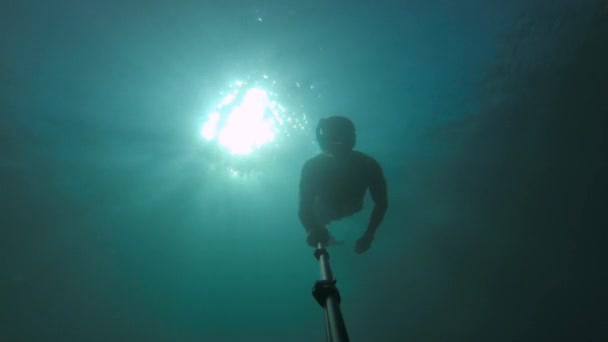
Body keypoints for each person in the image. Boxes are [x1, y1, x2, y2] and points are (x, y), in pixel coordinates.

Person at [298, 116, 388, 254]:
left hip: (340, 209)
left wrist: (369, 234)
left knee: (319, 214)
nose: (339, 143)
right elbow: (305, 207)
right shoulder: (368, 164)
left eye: (343, 136)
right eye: (335, 137)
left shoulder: (367, 164)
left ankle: (326, 234)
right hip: (341, 208)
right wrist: (311, 229)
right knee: (319, 214)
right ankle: (327, 234)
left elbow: (305, 206)